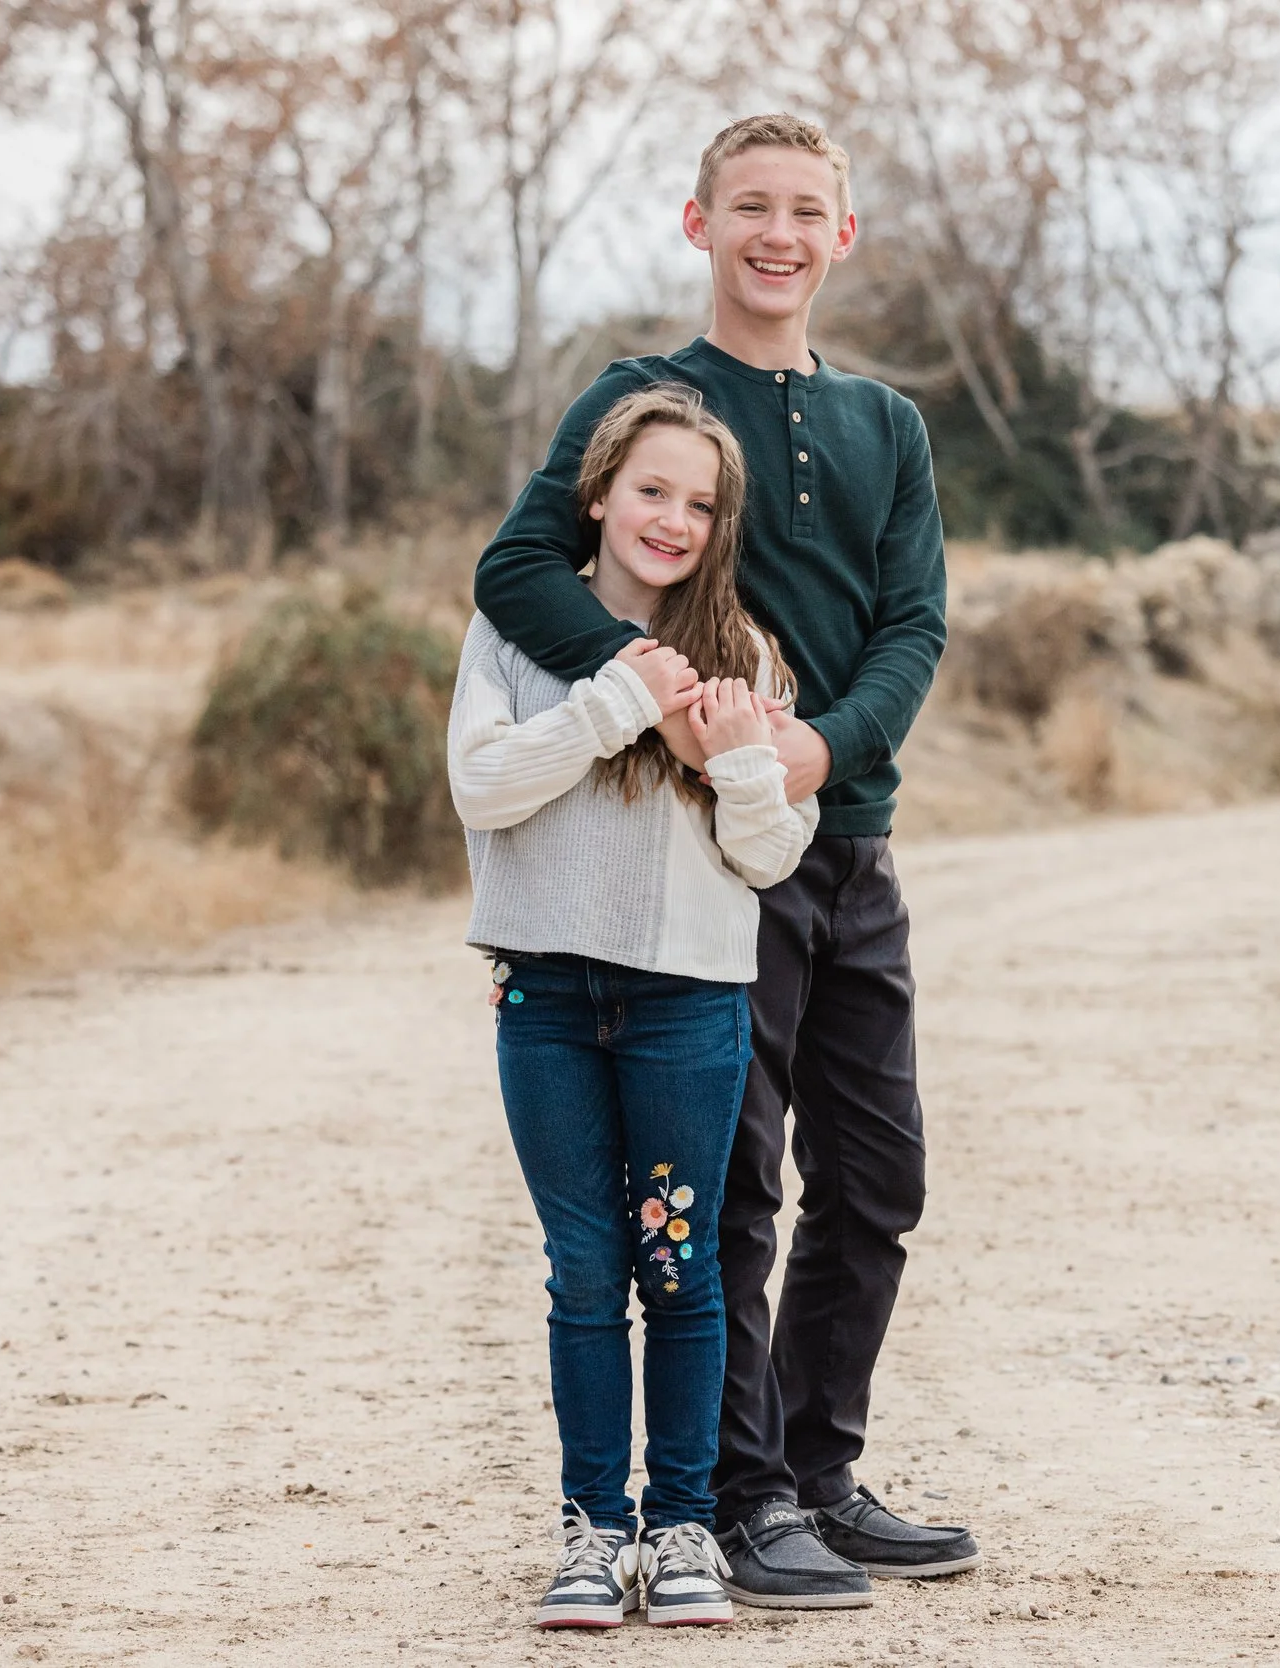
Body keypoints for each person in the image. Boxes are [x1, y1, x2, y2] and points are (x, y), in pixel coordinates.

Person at [473, 112, 978, 1610]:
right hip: (710, 865)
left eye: (805, 210)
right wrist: (666, 698)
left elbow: (913, 626)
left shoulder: (890, 425)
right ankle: (744, 1500)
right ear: (698, 226)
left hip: (849, 843)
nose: (778, 233)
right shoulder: (647, 402)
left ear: (844, 235)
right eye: (748, 207)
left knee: (877, 1178)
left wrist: (824, 749)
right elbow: (516, 571)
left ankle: (821, 1472)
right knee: (736, 1190)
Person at [449, 383, 820, 1628]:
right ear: (598, 494)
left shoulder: (746, 656)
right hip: (545, 991)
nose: (672, 519)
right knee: (583, 1269)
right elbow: (483, 787)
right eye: (651, 490)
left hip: (686, 1001)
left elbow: (769, 856)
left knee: (681, 1268)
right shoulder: (510, 629)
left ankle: (682, 1529)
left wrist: (735, 761)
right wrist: (613, 703)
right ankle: (592, 1527)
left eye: (701, 504)